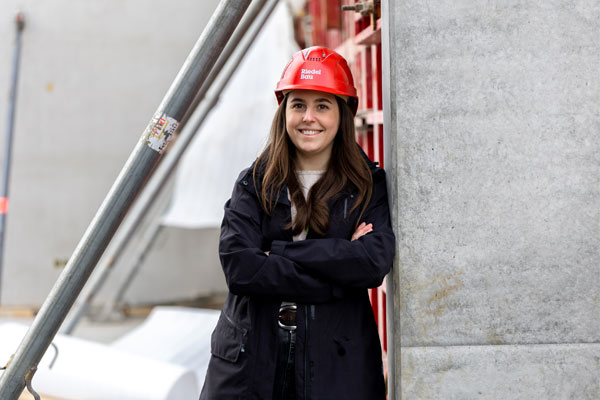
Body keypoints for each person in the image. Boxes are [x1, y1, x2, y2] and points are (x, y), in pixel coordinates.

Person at [199, 46, 395, 400]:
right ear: (284, 111)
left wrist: (277, 251)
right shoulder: (254, 182)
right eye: (298, 104)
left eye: (322, 105)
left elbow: (370, 263)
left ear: (343, 113)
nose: (309, 117)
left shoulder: (368, 184)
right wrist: (334, 274)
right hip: (253, 354)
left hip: (334, 357)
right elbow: (240, 267)